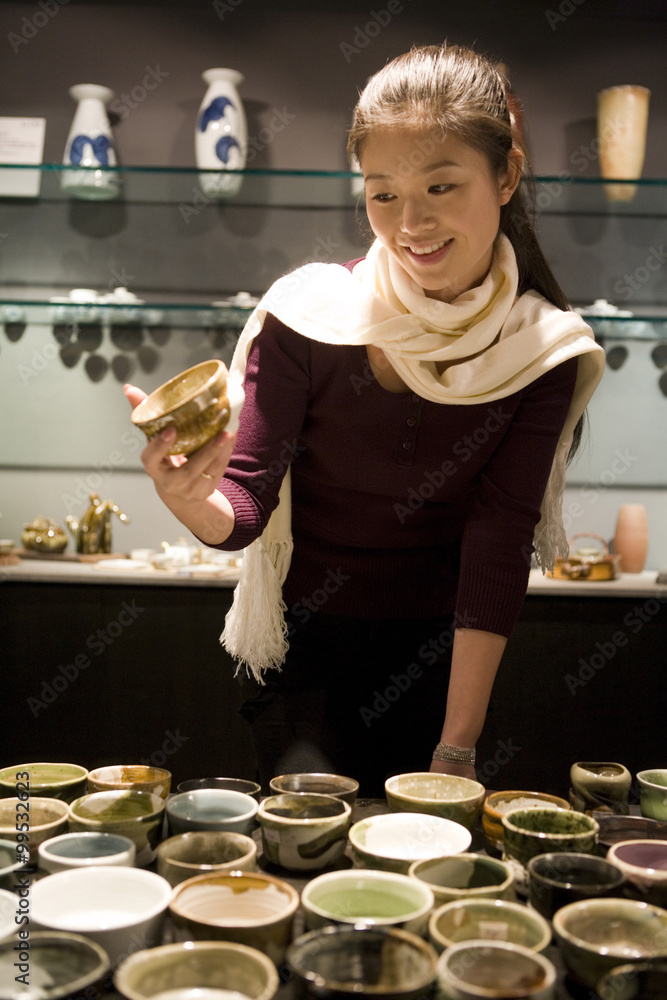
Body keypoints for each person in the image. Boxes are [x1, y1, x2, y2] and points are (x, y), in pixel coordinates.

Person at [125, 42, 605, 797]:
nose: (409, 224)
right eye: (381, 194)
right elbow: (246, 503)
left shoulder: (539, 347)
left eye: (440, 186)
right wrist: (194, 502)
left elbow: (497, 538)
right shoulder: (308, 317)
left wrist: (455, 750)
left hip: (444, 662)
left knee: (425, 875)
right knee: (308, 857)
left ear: (504, 175)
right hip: (302, 659)